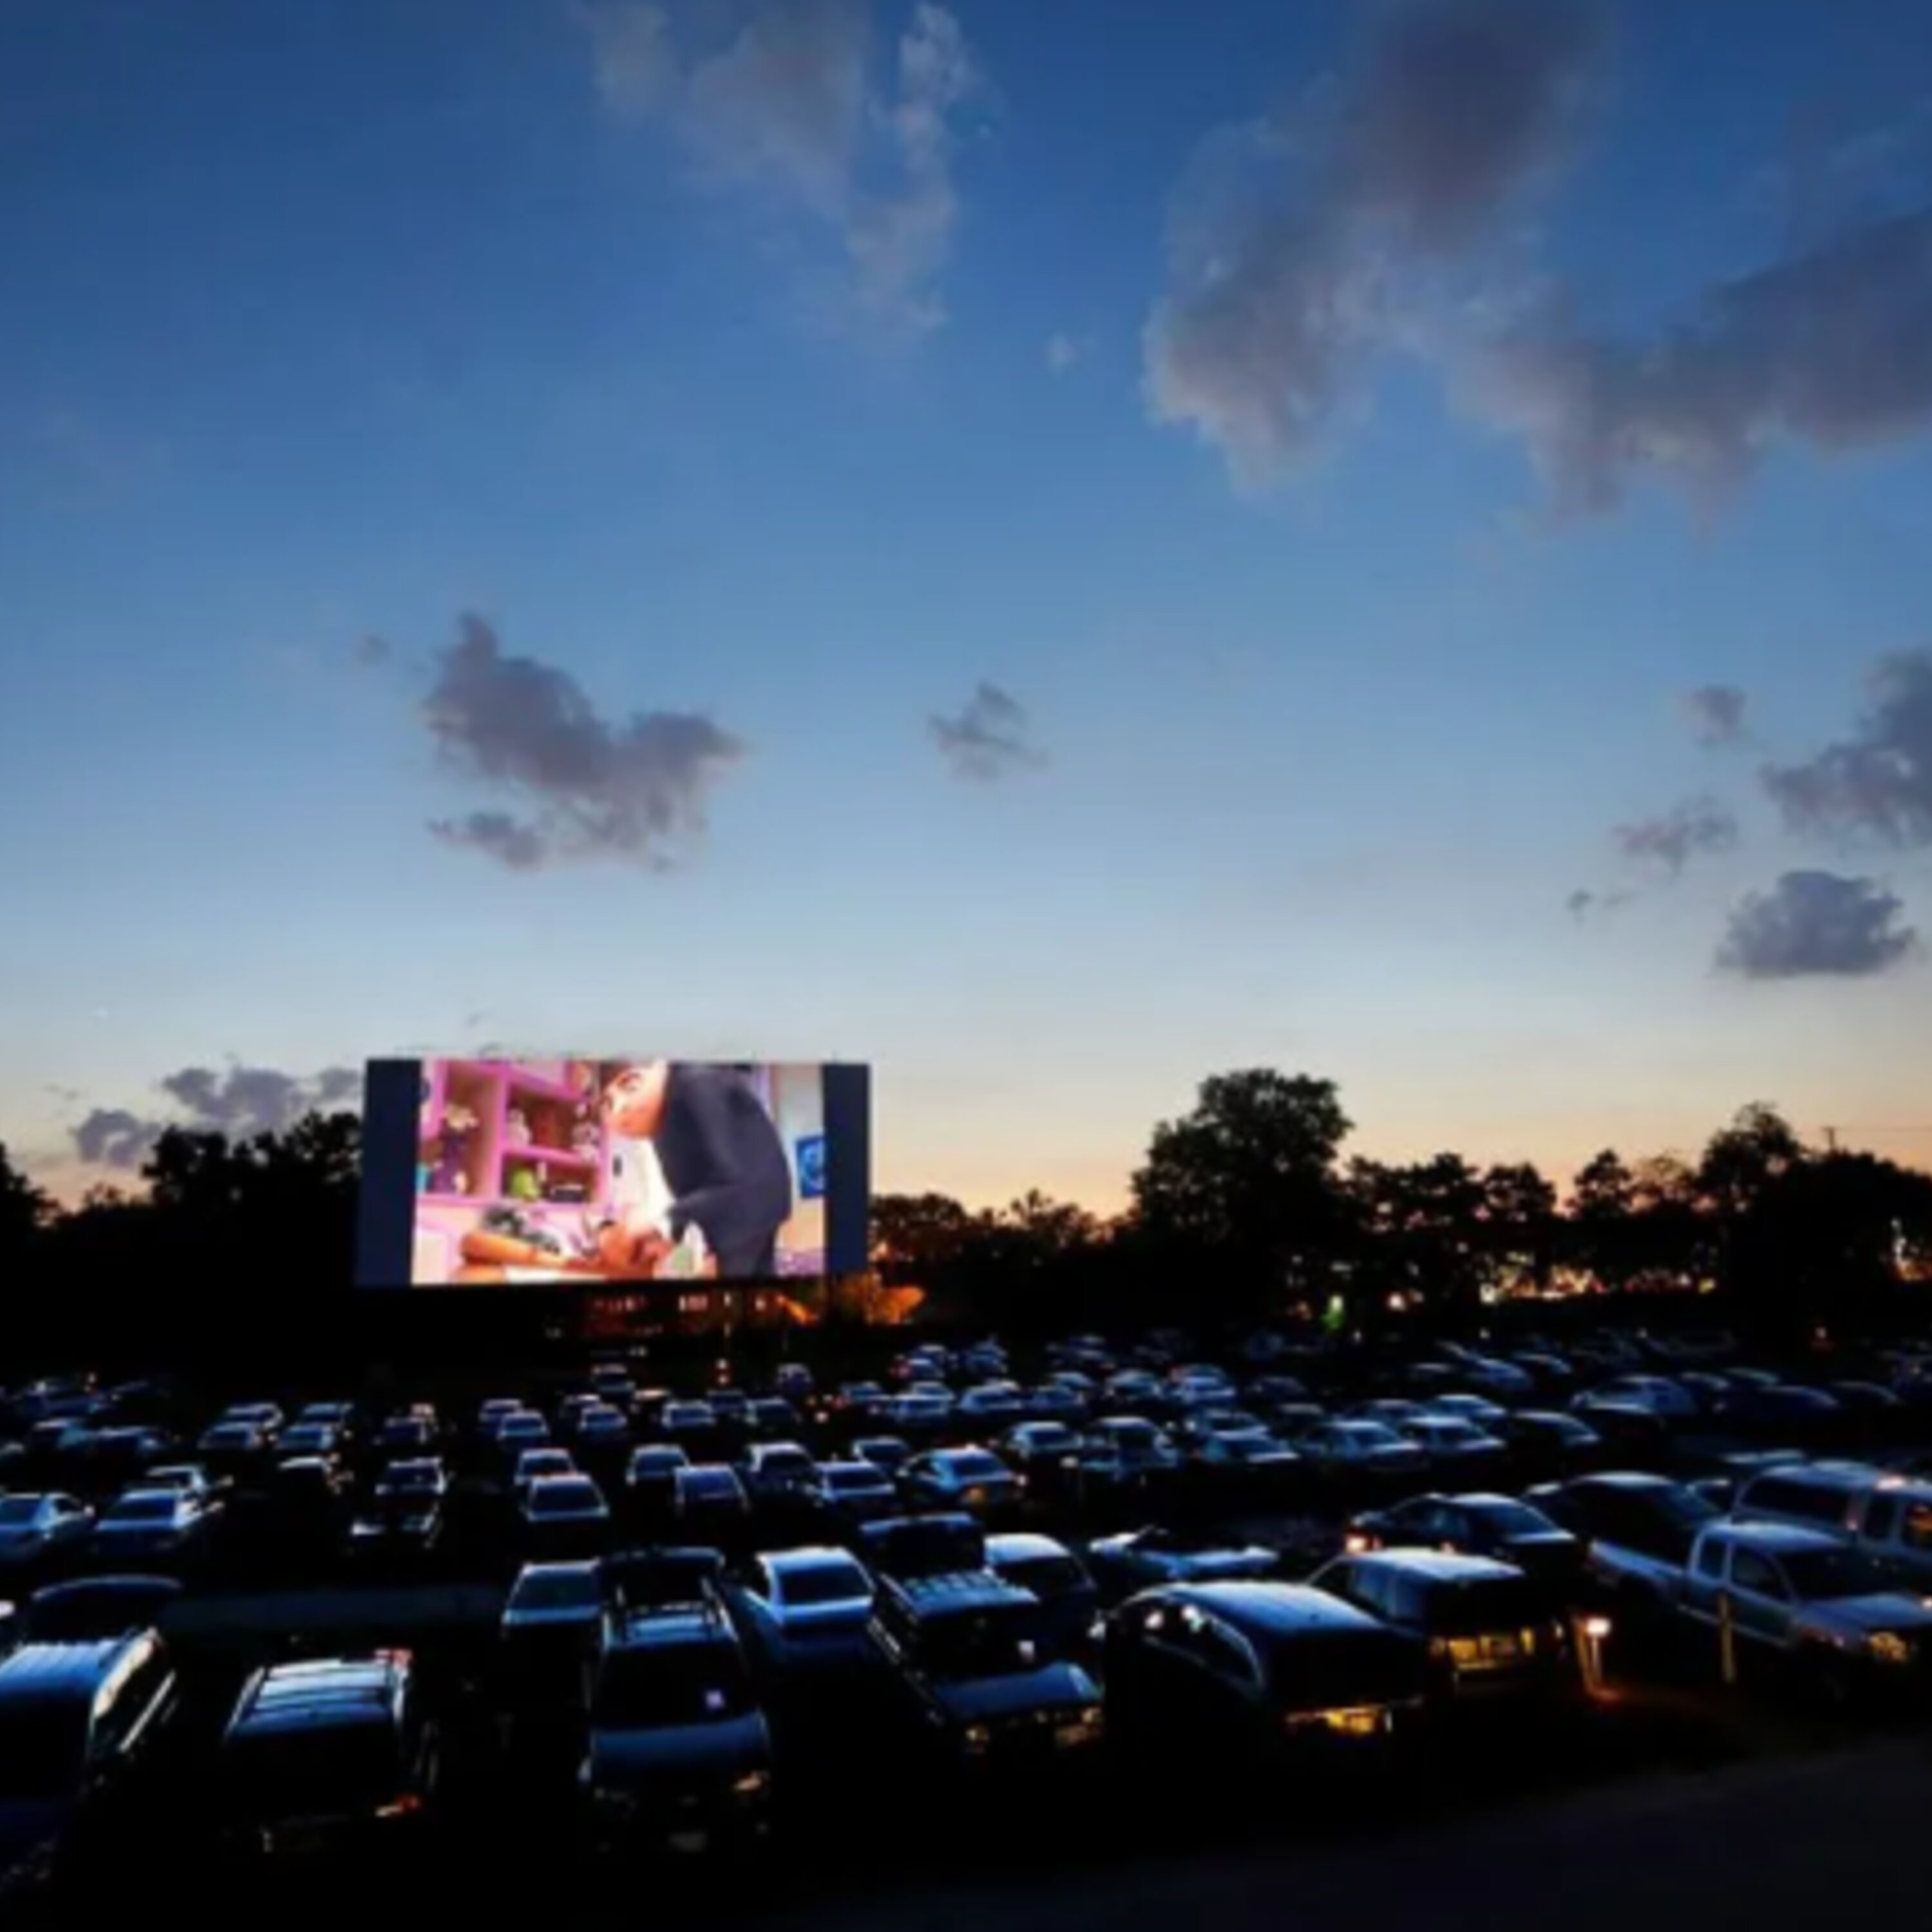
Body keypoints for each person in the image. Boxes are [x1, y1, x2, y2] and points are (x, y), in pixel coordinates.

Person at [601, 1061, 795, 1278]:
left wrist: (663, 1223)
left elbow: (730, 1179)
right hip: (730, 1218)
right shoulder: (663, 1122)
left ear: (633, 1083)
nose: (649, 1252)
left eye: (628, 1127)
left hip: (743, 1210)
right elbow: (685, 1208)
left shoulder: (695, 1082)